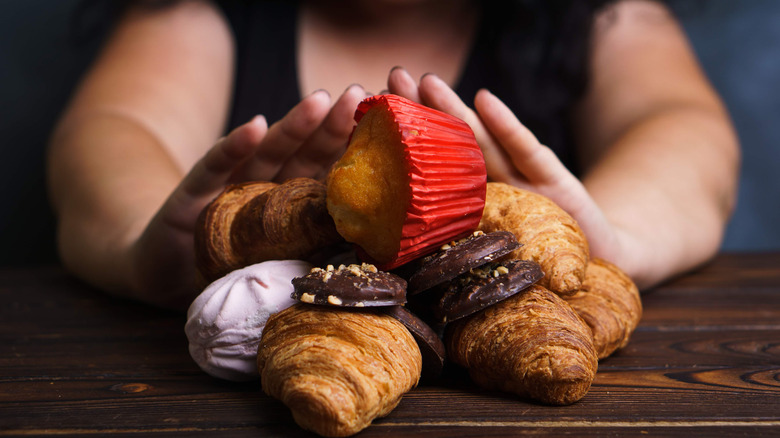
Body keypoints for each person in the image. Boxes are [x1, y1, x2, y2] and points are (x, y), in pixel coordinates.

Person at [47, 0, 740, 310]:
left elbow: (684, 129)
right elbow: (108, 132)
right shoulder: (196, 14)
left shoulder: (598, 16)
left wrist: (612, 235)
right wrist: (144, 241)